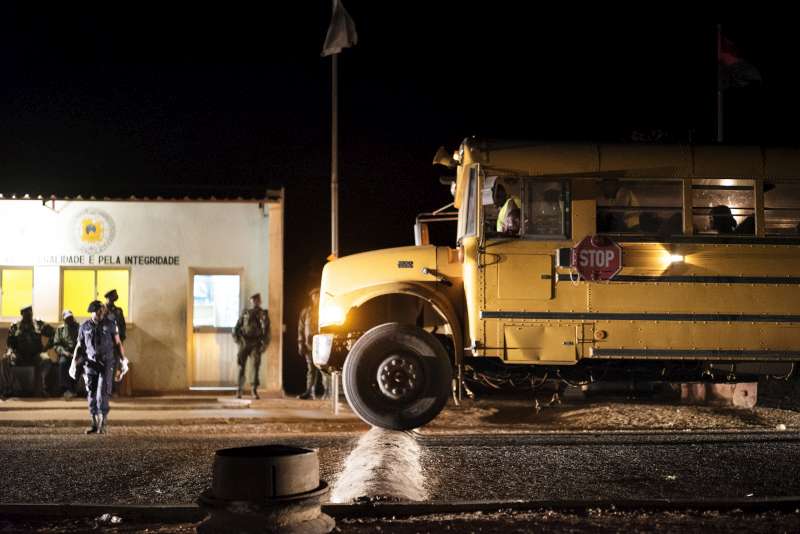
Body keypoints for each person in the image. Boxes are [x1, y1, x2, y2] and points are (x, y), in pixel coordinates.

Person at [70, 300, 127, 434]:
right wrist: (74, 362)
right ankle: (94, 423)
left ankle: (103, 423)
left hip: (107, 363)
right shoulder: (84, 326)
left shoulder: (111, 324)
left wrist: (123, 361)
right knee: (91, 392)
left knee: (103, 392)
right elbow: (80, 346)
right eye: (98, 311)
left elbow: (118, 344)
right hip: (90, 364)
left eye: (102, 310)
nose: (101, 313)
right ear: (92, 312)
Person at [5, 305, 55, 396]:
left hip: (36, 355)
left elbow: (54, 334)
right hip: (19, 355)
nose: (29, 314)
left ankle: (42, 388)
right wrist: (10, 352)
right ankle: (8, 388)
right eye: (26, 313)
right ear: (22, 314)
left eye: (30, 312)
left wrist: (46, 347)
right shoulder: (15, 326)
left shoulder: (39, 324)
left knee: (46, 360)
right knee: (5, 359)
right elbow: (10, 342)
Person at [232, 293, 270, 399]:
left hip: (256, 343)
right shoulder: (245, 313)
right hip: (244, 343)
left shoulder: (263, 314)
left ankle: (254, 390)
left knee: (255, 367)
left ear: (259, 301)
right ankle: (239, 390)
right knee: (241, 367)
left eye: (257, 300)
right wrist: (238, 340)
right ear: (251, 301)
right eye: (253, 300)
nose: (255, 302)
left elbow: (267, 332)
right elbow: (236, 328)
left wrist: (264, 344)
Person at [297, 288, 325, 400]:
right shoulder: (306, 312)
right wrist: (300, 343)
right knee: (311, 369)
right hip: (309, 345)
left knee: (324, 369)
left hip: (322, 345)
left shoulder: (325, 310)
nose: (316, 298)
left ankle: (328, 393)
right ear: (312, 298)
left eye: (318, 296)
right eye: (314, 296)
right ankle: (310, 392)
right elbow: (300, 328)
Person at [53, 310, 80, 399]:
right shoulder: (60, 329)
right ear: (64, 320)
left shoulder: (79, 327)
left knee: (79, 364)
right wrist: (65, 352)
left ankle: (75, 389)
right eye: (67, 318)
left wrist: (77, 353)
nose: (70, 320)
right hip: (66, 353)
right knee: (63, 363)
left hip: (78, 352)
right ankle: (65, 389)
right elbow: (56, 344)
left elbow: (84, 342)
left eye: (71, 318)